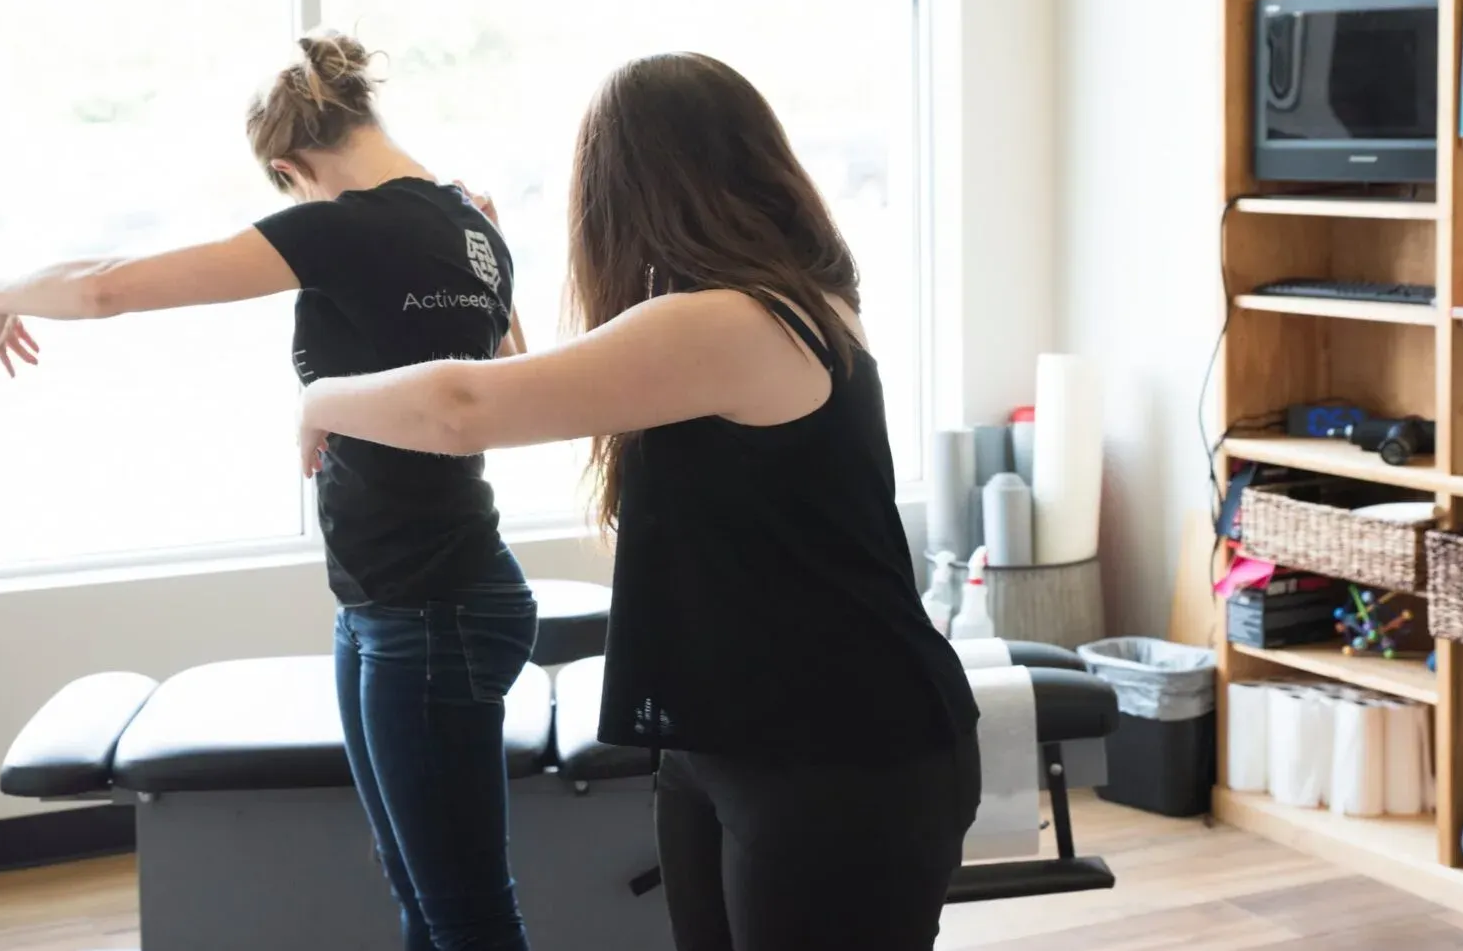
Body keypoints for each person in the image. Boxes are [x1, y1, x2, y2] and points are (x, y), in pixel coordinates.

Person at [298, 52, 982, 951]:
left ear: (629, 189)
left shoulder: (734, 321)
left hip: (846, 750)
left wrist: (320, 399)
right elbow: (524, 382)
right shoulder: (772, 304)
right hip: (729, 739)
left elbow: (461, 409)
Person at [0, 33, 538, 951]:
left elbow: (110, 290)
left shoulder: (340, 227)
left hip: (432, 607)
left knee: (468, 914)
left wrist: (4, 289)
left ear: (290, 166)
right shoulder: (469, 220)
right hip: (393, 598)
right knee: (422, 892)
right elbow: (509, 369)